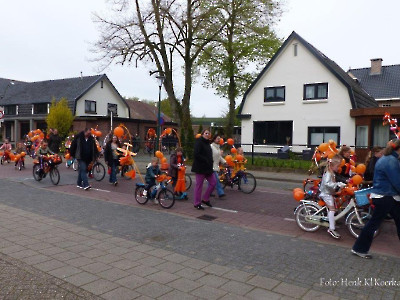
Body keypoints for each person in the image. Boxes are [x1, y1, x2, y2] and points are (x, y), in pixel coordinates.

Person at [351, 139, 400, 259]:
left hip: (386, 196)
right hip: (386, 197)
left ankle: (359, 248)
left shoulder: (387, 158)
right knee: (373, 224)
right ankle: (359, 248)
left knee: (375, 223)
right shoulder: (391, 161)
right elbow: (397, 182)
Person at [319, 154, 347, 239]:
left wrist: (340, 184)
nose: (338, 168)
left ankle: (330, 220)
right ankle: (331, 228)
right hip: (326, 194)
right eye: (337, 166)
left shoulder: (332, 173)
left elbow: (334, 182)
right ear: (332, 166)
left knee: (335, 206)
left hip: (329, 193)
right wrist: (337, 186)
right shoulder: (328, 174)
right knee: (332, 210)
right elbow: (328, 184)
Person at [192, 129, 216, 210]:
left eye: (208, 133)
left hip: (208, 168)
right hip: (200, 168)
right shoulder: (199, 142)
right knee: (199, 185)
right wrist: (205, 160)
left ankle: (205, 198)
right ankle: (197, 203)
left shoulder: (208, 143)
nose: (207, 134)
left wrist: (210, 161)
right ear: (202, 134)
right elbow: (196, 154)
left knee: (213, 183)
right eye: (206, 133)